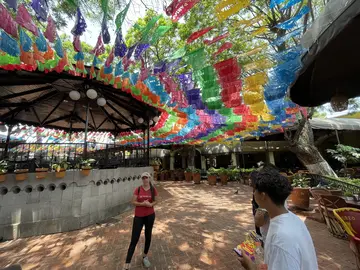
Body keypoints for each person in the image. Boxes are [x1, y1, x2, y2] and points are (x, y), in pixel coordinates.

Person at [240, 166, 318, 270]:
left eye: (255, 189)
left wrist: (251, 267)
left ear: (263, 195)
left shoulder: (280, 239)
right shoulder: (293, 219)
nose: (253, 193)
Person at [124, 172, 158, 270]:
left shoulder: (153, 190)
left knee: (148, 236)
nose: (145, 179)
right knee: (134, 238)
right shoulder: (138, 189)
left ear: (149, 179)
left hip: (150, 216)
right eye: (143, 178)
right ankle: (128, 261)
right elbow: (133, 201)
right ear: (141, 179)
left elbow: (156, 201)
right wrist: (142, 203)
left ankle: (145, 256)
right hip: (139, 216)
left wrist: (151, 205)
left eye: (146, 178)